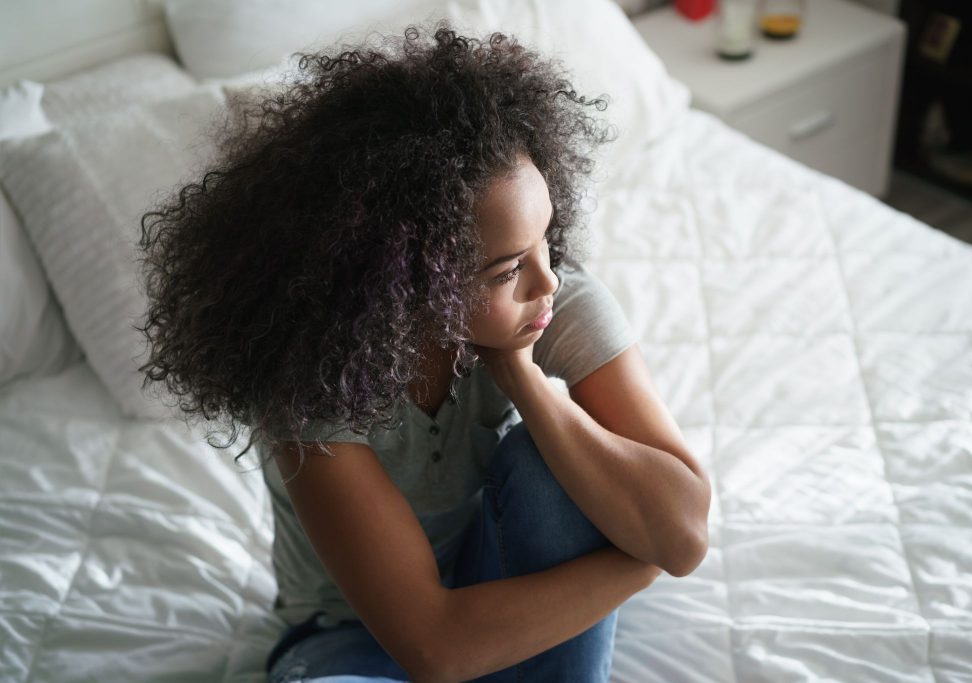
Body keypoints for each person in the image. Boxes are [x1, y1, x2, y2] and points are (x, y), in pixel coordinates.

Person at [136, 20, 711, 683]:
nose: (547, 278)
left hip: (494, 580)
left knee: (552, 462)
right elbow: (434, 647)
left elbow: (685, 531)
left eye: (546, 238)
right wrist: (636, 563)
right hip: (348, 635)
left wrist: (520, 376)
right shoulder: (310, 381)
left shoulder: (549, 301)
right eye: (505, 270)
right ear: (408, 284)